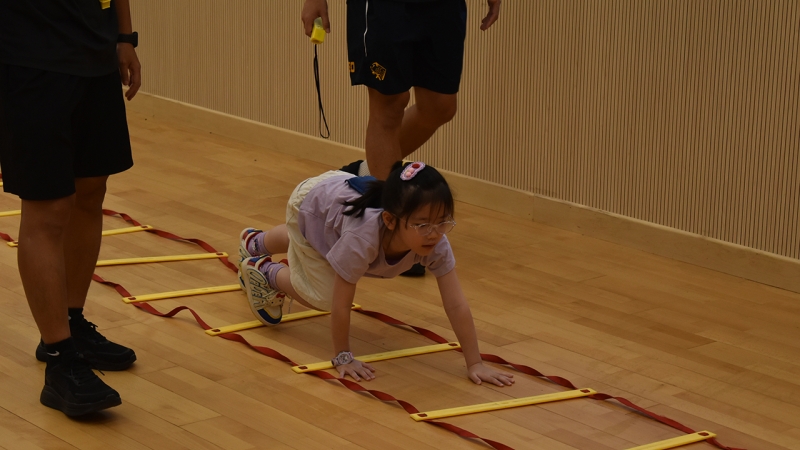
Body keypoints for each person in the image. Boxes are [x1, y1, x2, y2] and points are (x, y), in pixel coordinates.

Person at [238, 162, 514, 385]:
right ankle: (265, 271)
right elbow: (341, 303)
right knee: (323, 295)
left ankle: (254, 242)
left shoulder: (434, 241)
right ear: (390, 220)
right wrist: (343, 357)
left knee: (314, 239)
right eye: (422, 225)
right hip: (309, 203)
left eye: (443, 222)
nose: (434, 233)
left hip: (332, 201)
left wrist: (475, 363)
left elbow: (456, 304)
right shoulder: (363, 238)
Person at [0, 0, 141, 416]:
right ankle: (60, 359)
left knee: (90, 191)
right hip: (29, 60)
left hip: (95, 55)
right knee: (48, 207)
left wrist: (124, 36)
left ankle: (72, 322)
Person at [300, 0, 502, 180]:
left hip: (443, 6)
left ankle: (368, 171)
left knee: (440, 107)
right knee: (389, 106)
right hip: (383, 7)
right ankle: (384, 206)